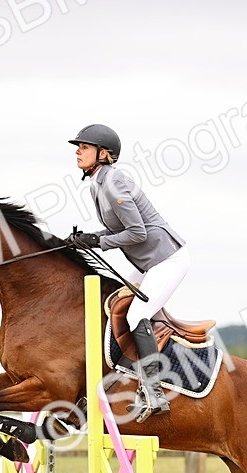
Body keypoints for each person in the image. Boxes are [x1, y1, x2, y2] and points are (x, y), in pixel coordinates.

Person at [66, 123, 189, 418]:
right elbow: (117, 230)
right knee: (114, 305)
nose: (78, 152)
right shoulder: (100, 183)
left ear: (104, 154)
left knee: (136, 315)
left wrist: (98, 241)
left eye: (84, 147)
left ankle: (154, 389)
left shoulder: (113, 183)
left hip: (167, 259)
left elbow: (138, 233)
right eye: (78, 148)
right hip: (150, 263)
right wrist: (89, 238)